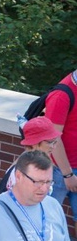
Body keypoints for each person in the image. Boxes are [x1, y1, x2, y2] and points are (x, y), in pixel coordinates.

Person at [0, 116, 62, 201]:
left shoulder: (29, 160)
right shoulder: (26, 169)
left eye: (55, 141)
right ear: (34, 142)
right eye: (50, 142)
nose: (54, 146)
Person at [45, 69, 77, 231]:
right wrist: (68, 174)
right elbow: (53, 138)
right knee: (46, 220)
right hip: (60, 171)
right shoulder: (62, 95)